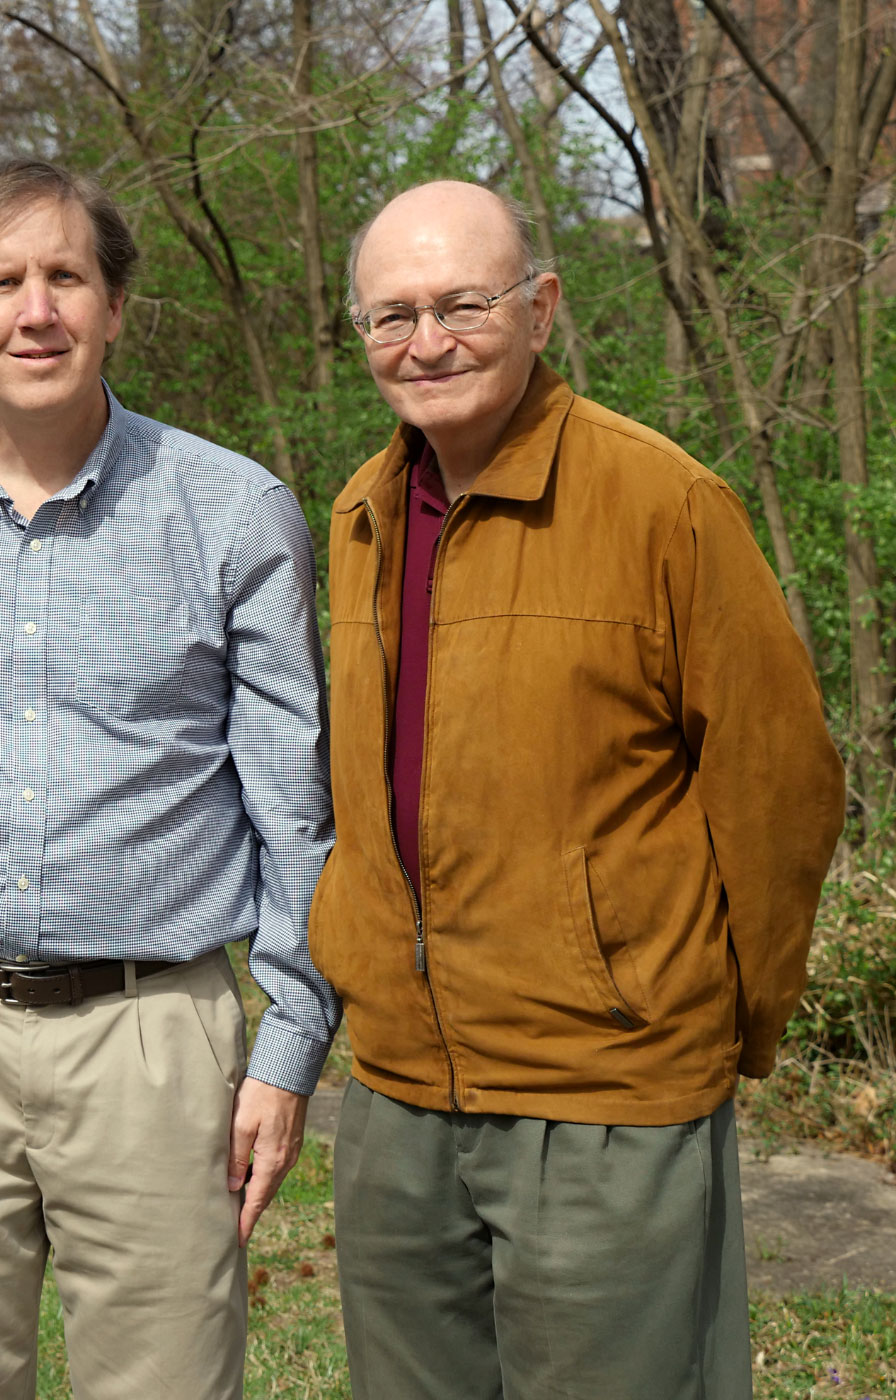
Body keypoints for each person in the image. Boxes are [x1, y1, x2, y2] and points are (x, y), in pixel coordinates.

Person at [0, 158, 337, 1399]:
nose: (37, 310)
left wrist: (288, 1046)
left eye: (65, 277)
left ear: (115, 306)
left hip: (152, 1035)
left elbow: (293, 806)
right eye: (3, 282)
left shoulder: (234, 513)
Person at [315, 179, 845, 1400]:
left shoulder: (664, 503)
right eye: (391, 315)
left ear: (540, 307)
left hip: (603, 1097)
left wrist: (706, 1026)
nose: (426, 340)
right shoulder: (360, 511)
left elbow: (780, 791)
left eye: (461, 302)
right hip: (396, 1093)